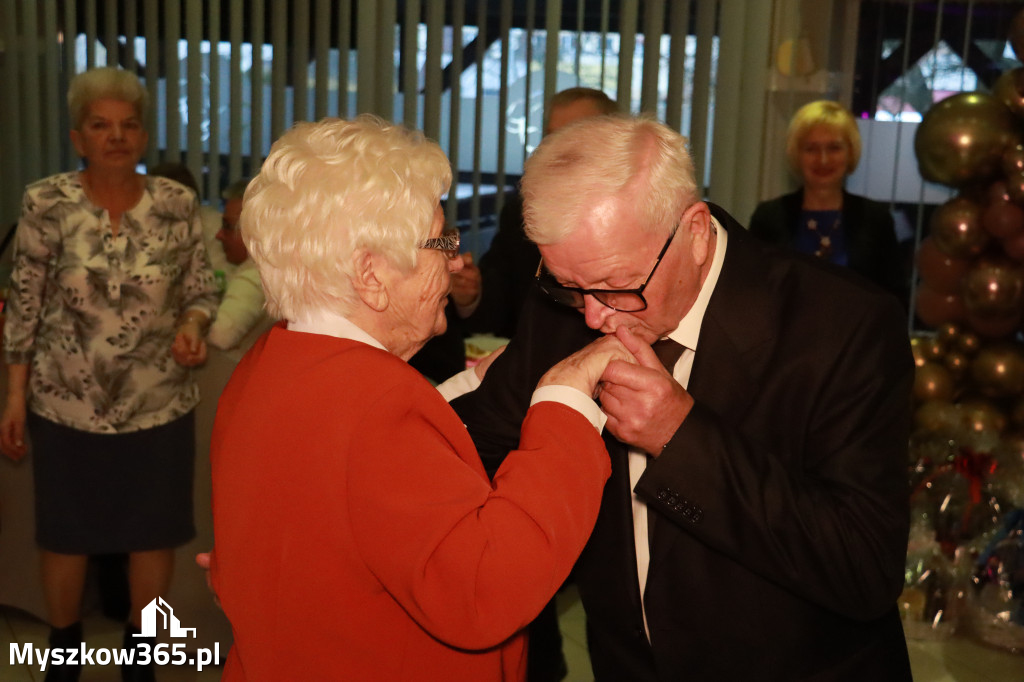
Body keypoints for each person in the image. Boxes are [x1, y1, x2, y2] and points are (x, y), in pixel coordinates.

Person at [449, 115, 915, 680]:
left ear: (695, 233)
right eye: (569, 287)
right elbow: (475, 451)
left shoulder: (841, 326)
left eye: (618, 286)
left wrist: (679, 435)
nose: (595, 316)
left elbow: (861, 566)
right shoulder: (568, 303)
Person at [208, 115, 635, 681]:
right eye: (440, 240)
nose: (457, 258)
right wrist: (566, 406)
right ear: (371, 275)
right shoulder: (377, 407)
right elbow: (485, 591)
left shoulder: (271, 362)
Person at [0, 66, 218, 682]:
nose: (115, 137)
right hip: (63, 403)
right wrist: (14, 399)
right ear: (78, 137)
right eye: (101, 125)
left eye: (128, 125)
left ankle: (140, 659)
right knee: (67, 536)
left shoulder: (177, 205)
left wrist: (195, 328)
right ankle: (64, 653)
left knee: (153, 535)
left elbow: (203, 290)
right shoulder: (45, 203)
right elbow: (24, 305)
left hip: (159, 403)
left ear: (144, 135)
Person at [467, 87, 618, 340]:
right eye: (551, 137)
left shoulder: (634, 219)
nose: (557, 149)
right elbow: (496, 311)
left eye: (572, 137)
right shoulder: (523, 211)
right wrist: (470, 296)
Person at [748, 99, 907, 303]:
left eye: (834, 148)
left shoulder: (875, 219)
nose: (823, 160)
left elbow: (893, 300)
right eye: (811, 149)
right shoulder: (769, 217)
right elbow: (752, 291)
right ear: (796, 154)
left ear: (850, 152)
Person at [205, 178, 271, 351]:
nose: (218, 235)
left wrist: (192, 319)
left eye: (227, 226)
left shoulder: (255, 278)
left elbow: (219, 337)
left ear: (257, 232)